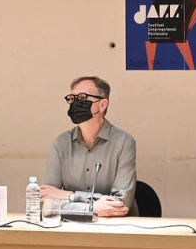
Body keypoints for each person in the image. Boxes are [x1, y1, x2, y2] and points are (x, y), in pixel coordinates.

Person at [41, 76, 138, 217]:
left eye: (82, 98)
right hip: (71, 226)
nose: (75, 104)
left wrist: (70, 196)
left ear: (102, 105)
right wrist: (89, 209)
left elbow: (120, 204)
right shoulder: (61, 143)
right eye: (72, 99)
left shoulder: (124, 142)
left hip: (115, 226)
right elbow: (45, 202)